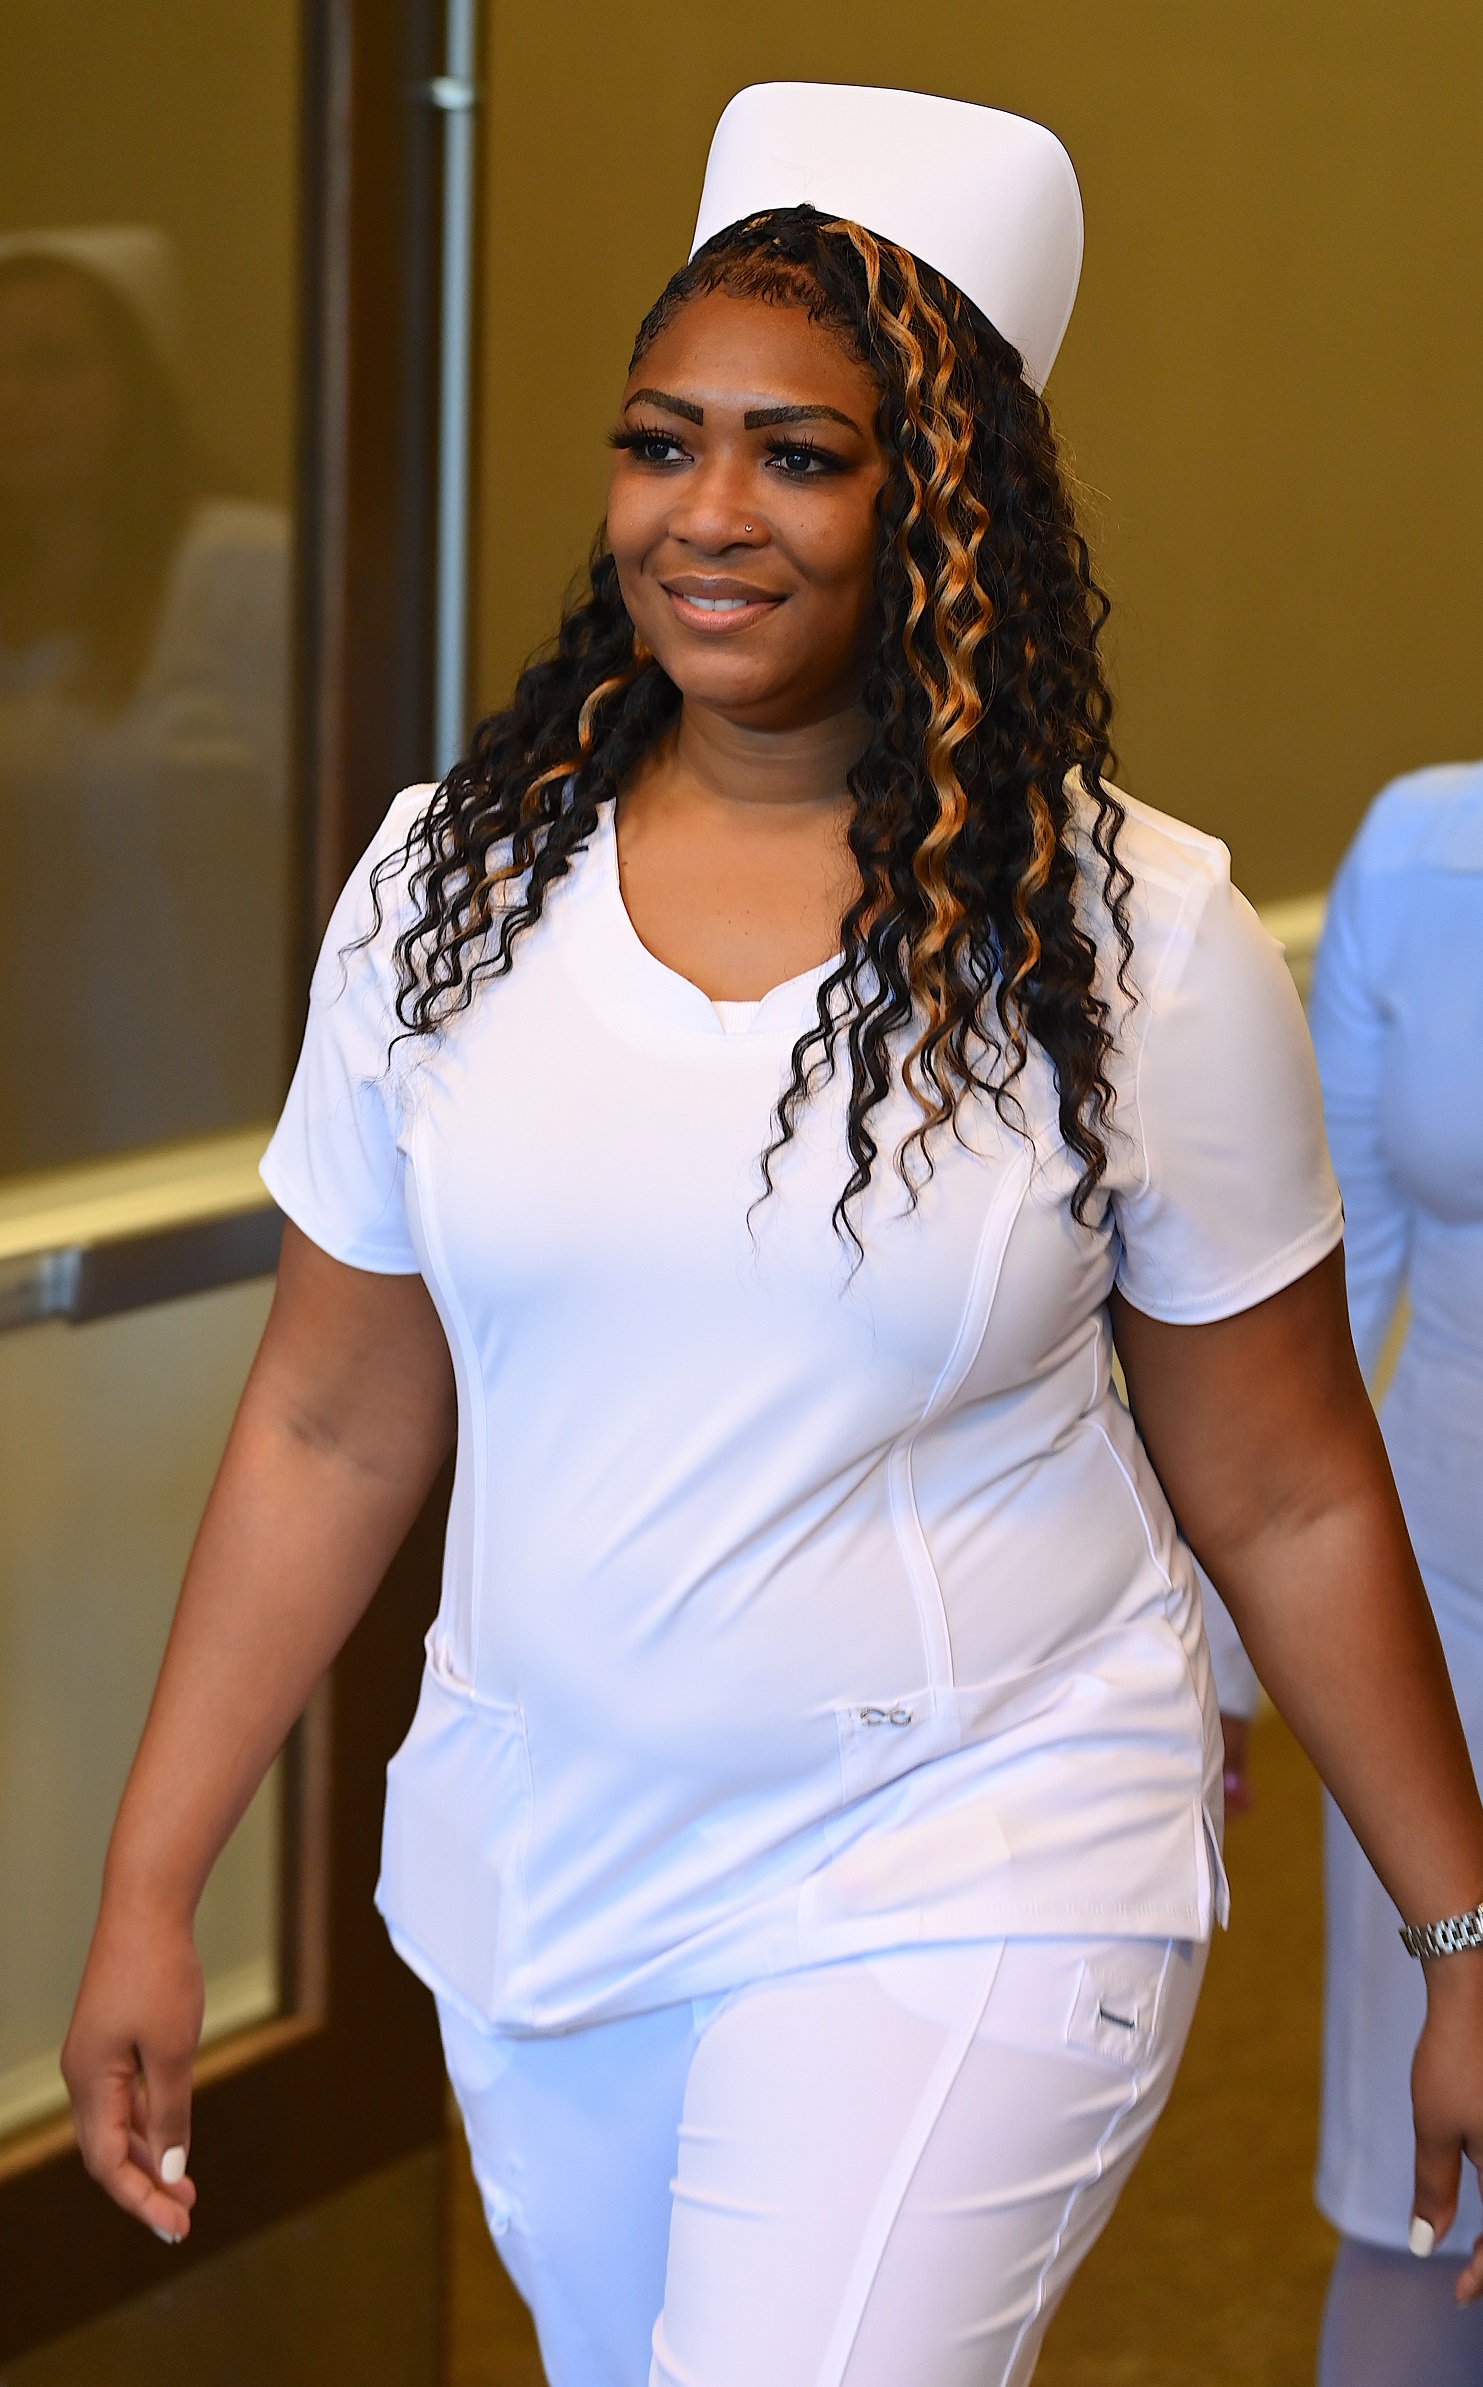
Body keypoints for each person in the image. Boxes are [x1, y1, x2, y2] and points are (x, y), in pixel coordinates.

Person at [61, 84, 1483, 2387]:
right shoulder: (442, 898)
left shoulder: (1132, 938)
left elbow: (1285, 1477)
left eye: (798, 455)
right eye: (660, 440)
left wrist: (1455, 1933)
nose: (704, 514)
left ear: (944, 505)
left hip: (971, 1847)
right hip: (553, 1870)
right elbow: (328, 1419)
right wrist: (153, 1881)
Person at [1308, 763, 1483, 2384]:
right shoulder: (1424, 852)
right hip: (1438, 1631)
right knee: (1412, 2181)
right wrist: (1230, 1663)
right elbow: (1324, 1280)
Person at [0, 226, 289, 1175]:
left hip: (225, 1135)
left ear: (132, 386)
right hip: (40, 1152)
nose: (16, 402)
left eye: (52, 365)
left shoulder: (237, 574)